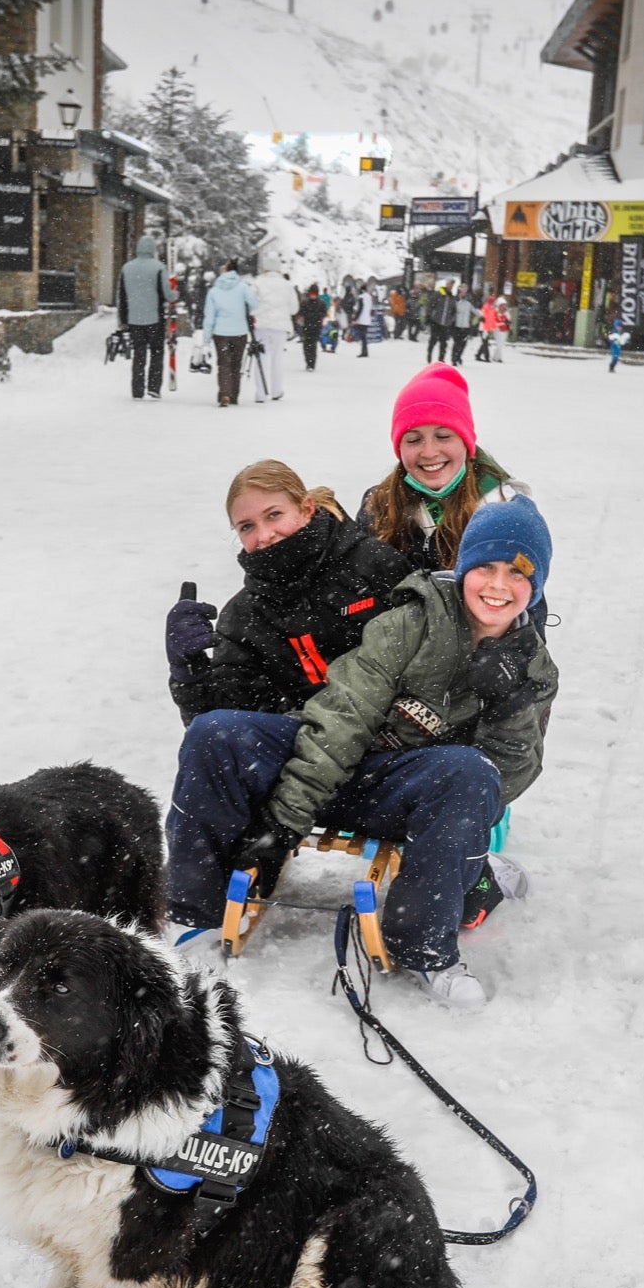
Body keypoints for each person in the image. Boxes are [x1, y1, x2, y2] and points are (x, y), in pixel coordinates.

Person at [164, 496, 558, 1005]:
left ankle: (423, 949)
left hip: (401, 794)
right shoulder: (414, 620)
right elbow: (344, 714)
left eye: (518, 573)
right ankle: (193, 917)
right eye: (485, 566)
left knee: (469, 771)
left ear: (538, 585)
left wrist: (508, 705)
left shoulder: (534, 670)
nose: (499, 585)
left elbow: (506, 780)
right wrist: (285, 823)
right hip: (330, 764)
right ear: (463, 569)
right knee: (216, 733)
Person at [163, 459, 411, 728]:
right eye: (247, 527)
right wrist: (189, 672)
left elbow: (431, 654)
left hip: (398, 733)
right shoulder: (243, 615)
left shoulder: (373, 563)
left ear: (306, 508)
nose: (265, 534)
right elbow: (223, 724)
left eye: (274, 515)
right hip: (305, 745)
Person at [357, 363, 520, 576]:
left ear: (466, 442)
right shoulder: (378, 504)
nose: (429, 452)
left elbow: (528, 603)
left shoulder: (504, 510)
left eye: (443, 437)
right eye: (414, 440)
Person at [115, 233, 169, 400]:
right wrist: (175, 294)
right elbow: (166, 293)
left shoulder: (127, 267)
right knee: (157, 352)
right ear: (152, 249)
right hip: (155, 318)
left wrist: (122, 320)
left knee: (139, 353)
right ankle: (153, 387)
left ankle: (137, 389)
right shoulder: (159, 267)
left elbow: (121, 296)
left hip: (134, 319)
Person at [203, 259, 258, 408]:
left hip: (220, 333)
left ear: (224, 271)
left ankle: (224, 393)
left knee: (223, 364)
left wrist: (206, 339)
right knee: (235, 364)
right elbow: (254, 303)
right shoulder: (243, 287)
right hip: (239, 331)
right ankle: (234, 395)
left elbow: (209, 316)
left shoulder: (214, 291)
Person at [251, 253, 295, 403]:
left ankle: (260, 393)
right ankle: (276, 391)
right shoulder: (287, 285)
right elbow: (294, 308)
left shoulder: (258, 282)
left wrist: (258, 313)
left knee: (261, 358)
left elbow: (251, 304)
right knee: (277, 359)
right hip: (280, 327)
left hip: (261, 326)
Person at [297, 284, 326, 371]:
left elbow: (324, 313)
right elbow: (300, 313)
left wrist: (317, 317)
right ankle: (308, 361)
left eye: (315, 293)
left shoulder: (321, 303)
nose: (313, 295)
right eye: (312, 293)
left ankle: (311, 364)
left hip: (316, 327)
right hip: (307, 327)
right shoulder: (305, 303)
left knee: (313, 345)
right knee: (306, 346)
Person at [426, 285, 454, 363]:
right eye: (450, 284)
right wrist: (428, 315)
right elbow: (431, 304)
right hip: (436, 321)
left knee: (443, 342)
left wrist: (451, 319)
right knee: (433, 339)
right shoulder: (439, 293)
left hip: (445, 323)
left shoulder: (451, 297)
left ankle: (441, 359)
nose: (451, 287)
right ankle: (429, 354)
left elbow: (453, 310)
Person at [450, 285, 474, 366]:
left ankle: (459, 356)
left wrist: (482, 316)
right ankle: (454, 358)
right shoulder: (455, 301)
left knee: (463, 343)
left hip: (466, 326)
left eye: (465, 291)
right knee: (456, 343)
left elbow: (474, 310)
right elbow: (451, 311)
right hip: (457, 325)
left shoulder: (469, 302)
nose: (464, 292)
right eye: (462, 291)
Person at [353, 284, 373, 357]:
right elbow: (370, 308)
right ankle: (365, 351)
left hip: (362, 319)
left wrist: (355, 318)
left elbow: (359, 309)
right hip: (367, 319)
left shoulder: (361, 297)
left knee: (363, 337)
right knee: (364, 336)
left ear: (362, 290)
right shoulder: (369, 297)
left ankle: (364, 352)